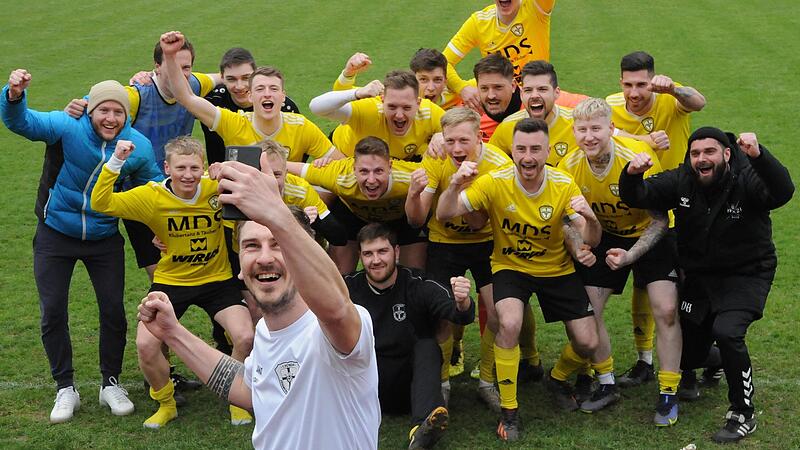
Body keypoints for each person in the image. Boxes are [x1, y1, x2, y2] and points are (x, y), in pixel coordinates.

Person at [136, 151, 381, 449]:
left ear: (303, 257)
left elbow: (336, 309)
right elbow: (248, 388)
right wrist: (173, 333)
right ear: (240, 267)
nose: (264, 258)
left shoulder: (336, 326)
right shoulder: (265, 331)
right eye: (252, 246)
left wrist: (277, 214)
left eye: (278, 244)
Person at [1, 72, 162, 423]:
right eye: (104, 110)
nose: (110, 118)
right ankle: (65, 388)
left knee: (113, 311)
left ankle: (110, 384)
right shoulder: (67, 125)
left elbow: (154, 190)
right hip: (55, 233)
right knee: (53, 310)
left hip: (104, 237)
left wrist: (164, 228)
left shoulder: (138, 146)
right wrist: (14, 95)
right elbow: (22, 122)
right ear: (90, 111)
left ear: (126, 116)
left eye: (118, 112)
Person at [619, 127, 793, 443]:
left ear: (726, 154)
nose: (702, 159)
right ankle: (720, 360)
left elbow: (783, 191)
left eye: (709, 152)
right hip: (700, 277)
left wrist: (759, 155)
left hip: (746, 273)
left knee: (727, 332)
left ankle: (742, 413)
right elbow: (638, 195)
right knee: (687, 356)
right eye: (695, 153)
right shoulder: (682, 179)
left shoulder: (747, 176)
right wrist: (632, 174)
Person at [436, 118, 603, 441]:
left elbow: (590, 239)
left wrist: (591, 218)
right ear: (512, 150)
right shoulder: (495, 181)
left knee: (588, 343)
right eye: (521, 149)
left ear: (548, 151)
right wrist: (455, 184)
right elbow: (445, 213)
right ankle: (509, 411)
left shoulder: (563, 183)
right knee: (509, 323)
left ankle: (557, 377)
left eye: (536, 149)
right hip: (510, 267)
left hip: (556, 269)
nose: (528, 157)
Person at [91, 136, 255, 428]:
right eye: (181, 168)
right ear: (167, 168)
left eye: (194, 168)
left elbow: (257, 183)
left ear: (203, 167)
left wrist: (229, 169)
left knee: (245, 337)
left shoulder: (215, 189)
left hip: (217, 280)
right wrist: (116, 161)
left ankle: (237, 398)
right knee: (146, 345)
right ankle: (167, 403)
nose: (188, 175)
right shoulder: (151, 196)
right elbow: (101, 202)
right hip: (171, 282)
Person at [557, 98, 681, 424]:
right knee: (589, 310)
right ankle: (606, 382)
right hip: (606, 235)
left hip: (651, 235)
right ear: (574, 132)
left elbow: (660, 220)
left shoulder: (637, 157)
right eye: (582, 130)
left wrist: (631, 255)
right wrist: (578, 246)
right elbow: (565, 219)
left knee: (666, 309)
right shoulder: (569, 166)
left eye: (596, 129)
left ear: (611, 128)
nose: (589, 136)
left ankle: (668, 392)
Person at [605, 51, 707, 388]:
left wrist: (674, 89)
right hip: (638, 206)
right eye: (628, 85)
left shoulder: (669, 98)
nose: (634, 93)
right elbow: (598, 133)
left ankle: (690, 365)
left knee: (685, 292)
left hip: (682, 208)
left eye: (642, 85)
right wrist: (643, 141)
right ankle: (644, 360)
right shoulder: (612, 105)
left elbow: (699, 102)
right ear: (620, 83)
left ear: (653, 80)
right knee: (642, 284)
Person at [405, 107, 514, 412]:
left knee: (498, 313)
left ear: (479, 137)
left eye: (463, 140)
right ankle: (442, 385)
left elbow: (478, 223)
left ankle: (487, 382)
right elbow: (416, 220)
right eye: (450, 140)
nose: (456, 148)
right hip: (444, 243)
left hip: (488, 243)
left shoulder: (499, 165)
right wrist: (413, 194)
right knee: (441, 314)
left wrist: (462, 186)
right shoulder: (436, 158)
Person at [346, 222, 474, 449]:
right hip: (367, 385)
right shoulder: (348, 288)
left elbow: (457, 313)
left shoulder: (417, 283)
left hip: (412, 385)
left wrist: (463, 302)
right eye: (368, 254)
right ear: (360, 257)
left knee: (427, 346)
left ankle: (422, 429)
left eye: (382, 251)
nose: (376, 260)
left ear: (396, 252)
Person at [158, 31, 343, 164]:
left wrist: (314, 172)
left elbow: (342, 166)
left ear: (283, 97)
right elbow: (186, 97)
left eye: (273, 89)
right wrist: (170, 55)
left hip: (288, 200)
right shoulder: (235, 123)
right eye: (260, 89)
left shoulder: (302, 126)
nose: (267, 93)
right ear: (251, 96)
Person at [287, 136, 425, 273]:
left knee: (414, 274)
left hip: (402, 218)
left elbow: (436, 171)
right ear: (353, 169)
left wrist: (435, 140)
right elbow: (284, 166)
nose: (371, 180)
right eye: (364, 171)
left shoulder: (410, 176)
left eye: (378, 171)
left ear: (390, 167)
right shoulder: (339, 175)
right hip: (353, 217)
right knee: (339, 274)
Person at [443, 0, 585, 110]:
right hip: (498, 93)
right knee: (440, 90)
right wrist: (462, 88)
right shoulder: (479, 22)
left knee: (588, 108)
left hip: (535, 90)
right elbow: (443, 62)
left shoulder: (536, 8)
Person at [310, 69, 445, 161]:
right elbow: (316, 107)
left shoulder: (429, 112)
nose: (399, 115)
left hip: (388, 163)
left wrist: (442, 134)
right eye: (392, 107)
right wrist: (357, 93)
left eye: (406, 107)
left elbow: (456, 127)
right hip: (344, 155)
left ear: (418, 103)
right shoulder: (370, 110)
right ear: (382, 100)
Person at [201, 47, 301, 164]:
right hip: (220, 173)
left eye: (246, 78)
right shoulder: (212, 100)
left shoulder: (284, 107)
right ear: (222, 78)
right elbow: (185, 91)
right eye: (231, 79)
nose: (239, 86)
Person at [489, 60, 578, 166]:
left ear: (557, 93)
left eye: (542, 89)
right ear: (521, 95)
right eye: (528, 90)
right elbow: (490, 164)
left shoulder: (576, 123)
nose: (534, 95)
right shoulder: (507, 126)